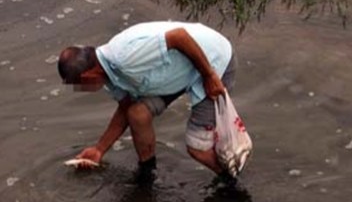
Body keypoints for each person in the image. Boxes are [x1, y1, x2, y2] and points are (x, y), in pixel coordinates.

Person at [58, 21, 237, 178]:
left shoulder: (125, 58)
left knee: (198, 149)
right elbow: (125, 108)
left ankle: (231, 182)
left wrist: (210, 76)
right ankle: (148, 172)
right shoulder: (107, 74)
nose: (82, 90)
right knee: (137, 113)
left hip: (211, 60)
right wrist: (99, 150)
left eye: (79, 85)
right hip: (172, 74)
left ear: (88, 75)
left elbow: (179, 36)